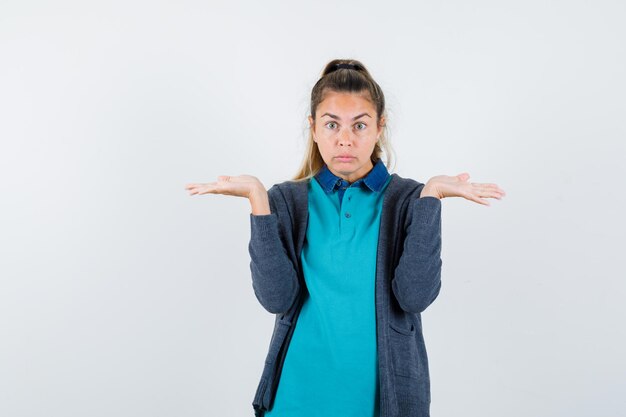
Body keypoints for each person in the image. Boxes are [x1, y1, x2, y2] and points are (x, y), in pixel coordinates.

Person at [185, 59, 506, 417]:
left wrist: (431, 196)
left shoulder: (408, 201)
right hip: (296, 398)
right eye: (332, 124)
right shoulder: (287, 201)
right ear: (314, 127)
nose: (345, 139)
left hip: (381, 402)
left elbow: (414, 297)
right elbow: (276, 299)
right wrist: (257, 199)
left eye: (360, 125)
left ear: (379, 127)